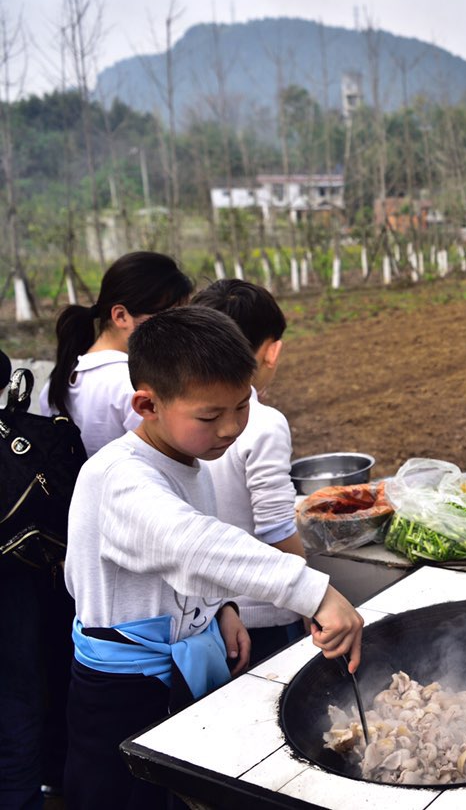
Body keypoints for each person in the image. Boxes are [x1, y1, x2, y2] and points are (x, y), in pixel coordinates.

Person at [62, 306, 364, 810]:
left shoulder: (187, 460)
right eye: (210, 416)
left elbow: (176, 565)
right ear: (147, 404)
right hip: (124, 690)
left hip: (179, 662)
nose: (230, 429)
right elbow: (191, 544)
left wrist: (220, 607)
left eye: (241, 407)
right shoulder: (120, 478)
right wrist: (314, 591)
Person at [2, 252, 192, 810]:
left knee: (58, 681)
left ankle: (57, 779)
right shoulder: (127, 384)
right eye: (166, 316)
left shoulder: (65, 377)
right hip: (137, 568)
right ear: (122, 315)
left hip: (69, 556)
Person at [190, 279, 308, 666]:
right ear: (272, 351)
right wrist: (311, 598)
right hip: (263, 610)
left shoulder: (178, 417)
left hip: (209, 611)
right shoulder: (263, 422)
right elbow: (276, 529)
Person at [41, 250, 193, 456]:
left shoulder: (58, 380)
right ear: (121, 316)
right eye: (169, 319)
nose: (180, 330)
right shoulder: (136, 385)